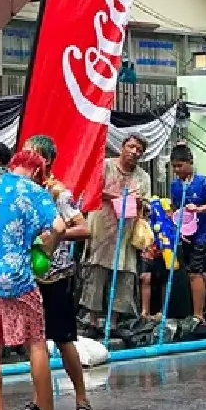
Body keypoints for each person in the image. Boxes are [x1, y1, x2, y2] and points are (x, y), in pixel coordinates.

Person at [0, 146, 75, 410]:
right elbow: (58, 226)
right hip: (18, 276)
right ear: (37, 171)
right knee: (35, 344)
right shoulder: (36, 192)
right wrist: (47, 249)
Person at [23, 136, 96, 410]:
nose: (27, 160)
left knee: (63, 341)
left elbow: (84, 229)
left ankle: (82, 400)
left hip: (56, 276)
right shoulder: (22, 192)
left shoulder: (58, 193)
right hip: (28, 276)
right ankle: (39, 401)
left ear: (47, 161)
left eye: (33, 155)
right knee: (34, 343)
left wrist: (54, 234)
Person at [79, 134, 153, 333]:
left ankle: (113, 323)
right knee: (96, 272)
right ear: (122, 147)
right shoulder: (105, 166)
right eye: (131, 147)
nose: (134, 152)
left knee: (125, 275)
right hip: (101, 229)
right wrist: (119, 197)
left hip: (127, 233)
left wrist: (139, 203)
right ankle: (92, 321)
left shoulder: (143, 177)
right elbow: (92, 190)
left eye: (139, 150)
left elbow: (146, 205)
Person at [167, 146, 206, 338]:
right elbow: (175, 208)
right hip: (186, 234)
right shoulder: (175, 186)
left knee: (195, 272)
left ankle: (198, 315)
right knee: (200, 272)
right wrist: (176, 227)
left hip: (205, 234)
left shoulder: (204, 182)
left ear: (190, 163)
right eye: (174, 166)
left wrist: (200, 209)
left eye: (180, 165)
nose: (177, 170)